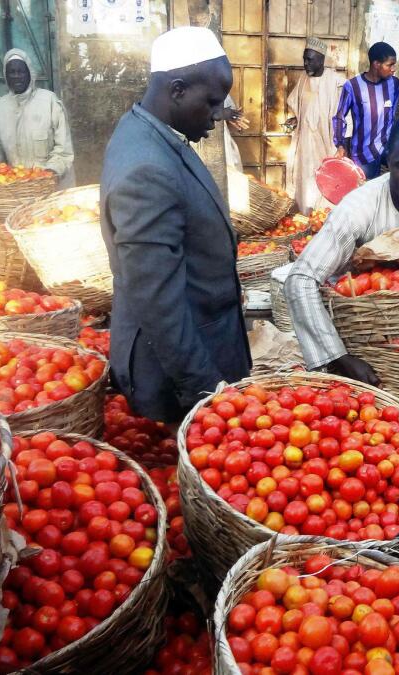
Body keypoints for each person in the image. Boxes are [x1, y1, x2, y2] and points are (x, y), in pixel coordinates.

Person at [99, 26, 251, 423]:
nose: (219, 115)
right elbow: (157, 298)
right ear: (178, 90)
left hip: (203, 345)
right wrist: (207, 392)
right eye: (213, 102)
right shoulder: (146, 168)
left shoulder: (149, 132)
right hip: (177, 373)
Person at [285, 114, 399, 385]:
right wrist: (339, 357)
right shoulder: (357, 209)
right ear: (387, 163)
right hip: (364, 333)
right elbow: (300, 280)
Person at [0, 49, 75, 189]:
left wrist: (49, 172)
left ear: (30, 73)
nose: (16, 76)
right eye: (11, 72)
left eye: (21, 71)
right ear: (5, 76)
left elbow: (63, 150)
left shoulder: (49, 101)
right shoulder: (0, 108)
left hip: (51, 187)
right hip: (18, 190)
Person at [286, 37, 346, 213]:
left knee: (326, 183)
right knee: (305, 182)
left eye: (310, 59)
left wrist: (343, 146)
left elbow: (346, 117)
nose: (306, 64)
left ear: (322, 59)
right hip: (305, 143)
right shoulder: (303, 79)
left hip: (327, 144)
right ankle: (305, 219)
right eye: (304, 59)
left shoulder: (337, 82)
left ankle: (324, 222)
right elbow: (299, 107)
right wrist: (295, 119)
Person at [333, 42, 399, 179]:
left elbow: (394, 113)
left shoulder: (395, 84)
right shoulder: (352, 86)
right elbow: (340, 117)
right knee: (365, 193)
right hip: (363, 154)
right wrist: (340, 144)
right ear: (376, 64)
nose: (394, 69)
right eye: (389, 65)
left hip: (388, 150)